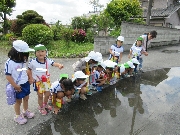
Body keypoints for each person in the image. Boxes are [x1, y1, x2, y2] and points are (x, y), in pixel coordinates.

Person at [4, 40, 35, 125]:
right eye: (24, 55)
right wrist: (15, 86)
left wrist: (30, 78)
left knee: (26, 98)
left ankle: (25, 111)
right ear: (17, 53)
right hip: (17, 85)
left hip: (25, 83)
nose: (26, 57)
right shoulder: (9, 63)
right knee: (18, 101)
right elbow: (8, 76)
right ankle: (17, 116)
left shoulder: (22, 61)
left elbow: (25, 71)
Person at [28, 44, 64, 115]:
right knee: (40, 95)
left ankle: (45, 104)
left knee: (47, 94)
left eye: (42, 51)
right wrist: (30, 78)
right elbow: (29, 70)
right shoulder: (32, 62)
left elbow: (54, 63)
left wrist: (59, 65)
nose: (40, 53)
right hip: (38, 82)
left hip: (46, 81)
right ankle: (41, 107)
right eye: (38, 52)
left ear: (45, 52)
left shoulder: (48, 60)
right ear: (35, 53)